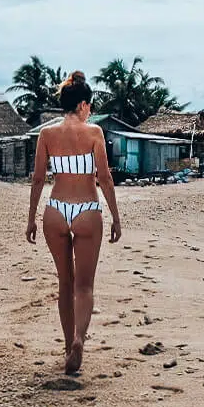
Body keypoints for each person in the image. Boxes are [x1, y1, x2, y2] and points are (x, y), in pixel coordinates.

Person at [26, 71, 122, 374]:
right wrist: (116, 216)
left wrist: (31, 218)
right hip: (86, 210)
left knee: (64, 284)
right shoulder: (94, 133)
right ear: (82, 105)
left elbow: (39, 178)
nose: (90, 110)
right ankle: (80, 339)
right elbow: (104, 178)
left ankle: (69, 347)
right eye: (89, 105)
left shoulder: (47, 135)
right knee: (84, 286)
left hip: (55, 210)